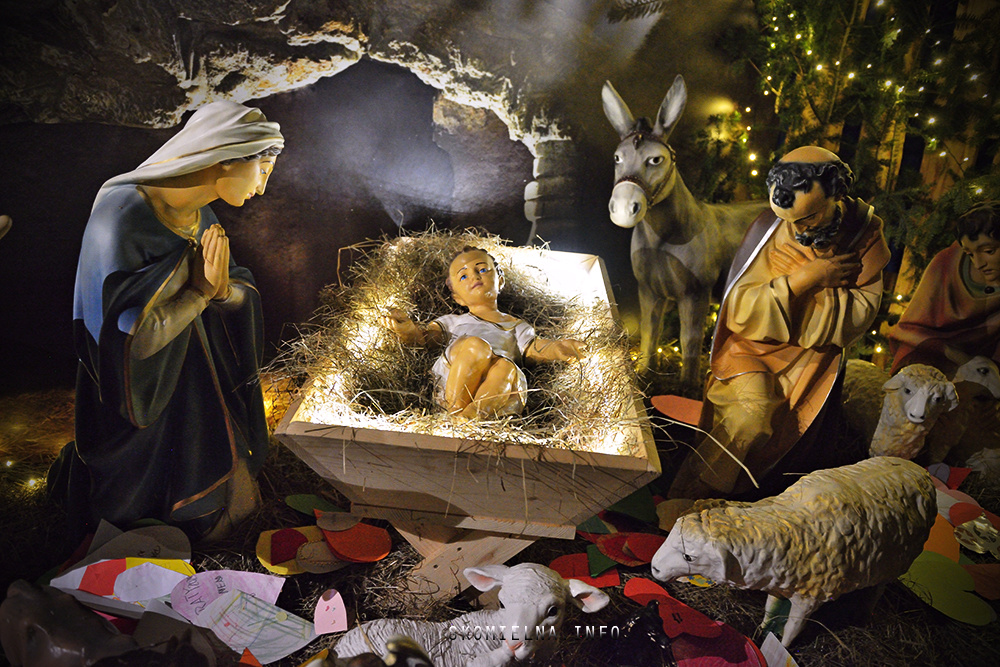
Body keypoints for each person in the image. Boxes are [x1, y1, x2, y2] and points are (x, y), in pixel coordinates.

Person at [48, 101, 283, 542]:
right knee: (147, 517)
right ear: (224, 157)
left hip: (197, 381)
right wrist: (198, 295)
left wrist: (222, 292)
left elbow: (229, 284)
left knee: (235, 503)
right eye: (262, 169)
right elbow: (126, 340)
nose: (263, 187)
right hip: (140, 396)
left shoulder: (201, 213)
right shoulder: (122, 215)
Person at [667, 146, 890, 502]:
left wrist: (816, 291)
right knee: (749, 417)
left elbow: (859, 314)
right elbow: (739, 308)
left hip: (810, 363)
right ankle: (695, 494)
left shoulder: (863, 236)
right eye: (789, 219)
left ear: (835, 194)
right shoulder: (768, 229)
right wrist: (806, 279)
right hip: (749, 349)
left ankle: (741, 504)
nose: (797, 229)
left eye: (808, 217)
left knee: (788, 441)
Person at [384, 246, 585, 419]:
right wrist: (408, 330)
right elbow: (424, 340)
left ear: (500, 280)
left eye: (482, 269)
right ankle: (452, 413)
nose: (474, 276)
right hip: (454, 382)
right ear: (457, 297)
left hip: (496, 390)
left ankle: (469, 420)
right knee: (476, 346)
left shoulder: (517, 326)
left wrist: (559, 348)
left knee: (507, 367)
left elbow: (535, 348)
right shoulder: (453, 322)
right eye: (463, 276)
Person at [888, 201, 1000, 376]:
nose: (978, 264)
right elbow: (910, 330)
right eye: (970, 254)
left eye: (988, 251)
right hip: (933, 355)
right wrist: (953, 355)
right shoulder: (946, 263)